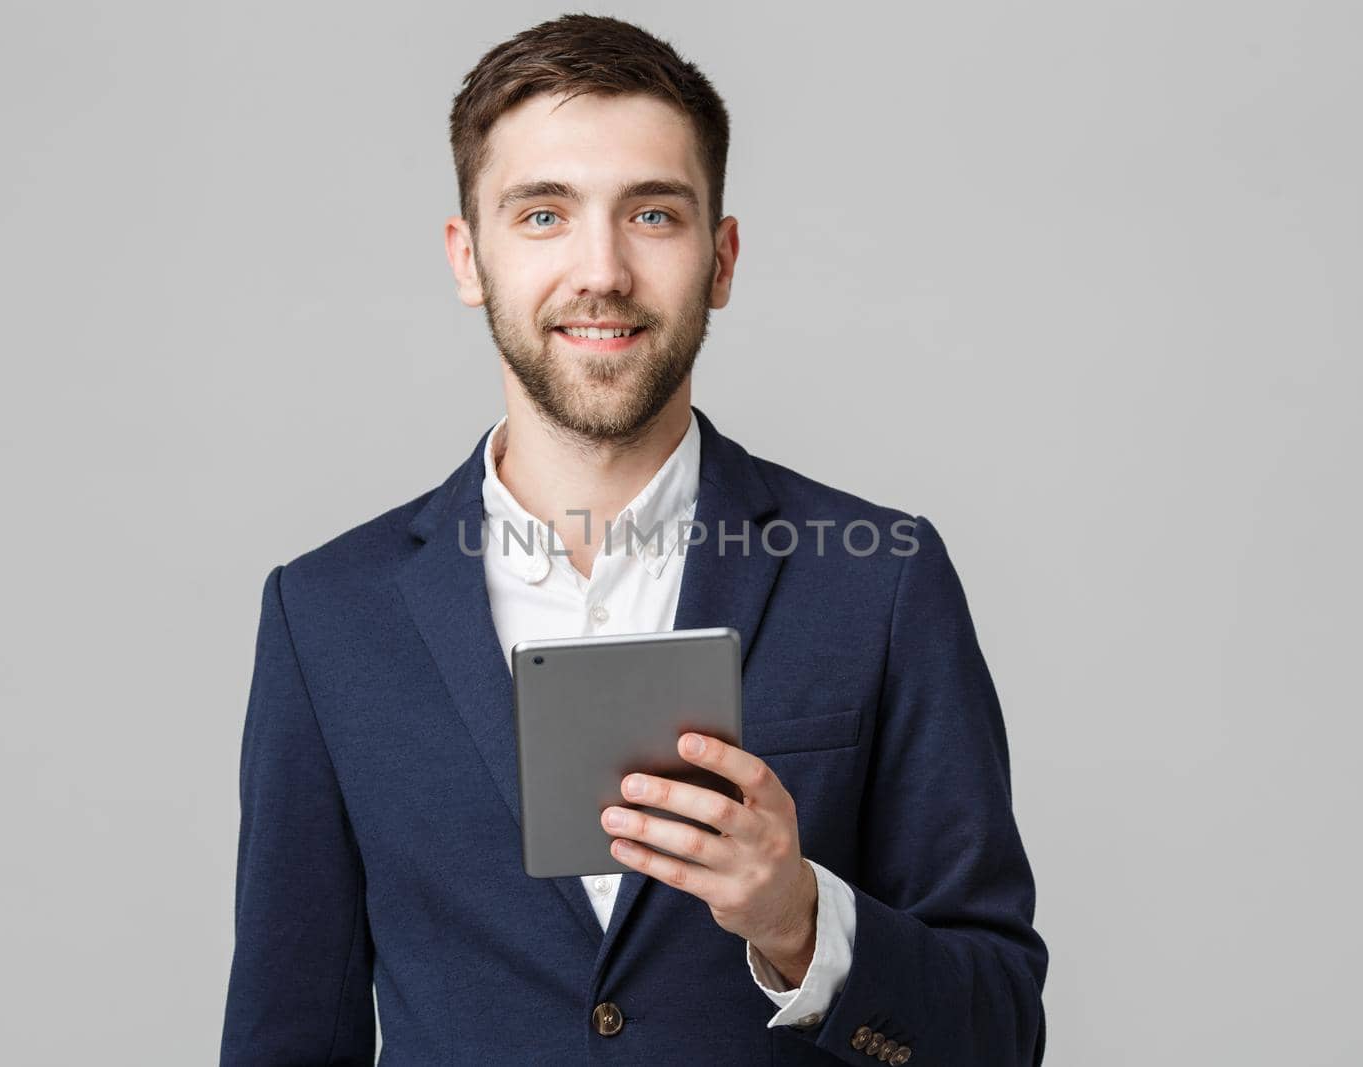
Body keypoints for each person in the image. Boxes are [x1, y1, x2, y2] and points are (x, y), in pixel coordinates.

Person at [219, 14, 1046, 1066]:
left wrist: (801, 919)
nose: (600, 269)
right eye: (543, 214)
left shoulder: (879, 580)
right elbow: (284, 1033)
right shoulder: (327, 613)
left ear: (721, 257)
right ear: (468, 257)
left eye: (653, 214)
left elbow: (1003, 1032)